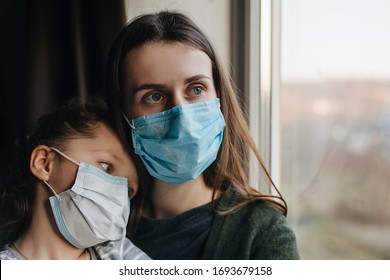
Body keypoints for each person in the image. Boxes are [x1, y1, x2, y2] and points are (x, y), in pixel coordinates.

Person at [105, 10, 299, 259]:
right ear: (123, 114)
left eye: (196, 89)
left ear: (219, 97)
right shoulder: (99, 225)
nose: (182, 115)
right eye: (154, 96)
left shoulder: (263, 234)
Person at [0, 99, 150, 260]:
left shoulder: (121, 253)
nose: (117, 193)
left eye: (128, 190)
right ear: (44, 164)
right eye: (107, 167)